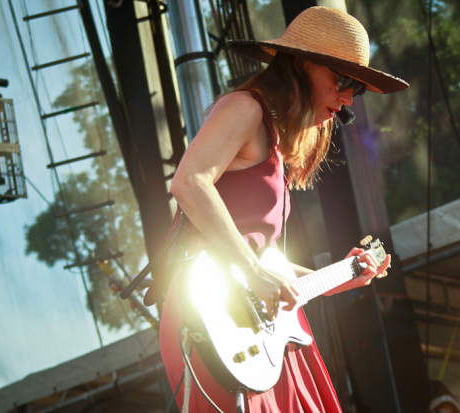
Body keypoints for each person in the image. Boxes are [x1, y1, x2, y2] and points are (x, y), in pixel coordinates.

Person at [159, 6, 409, 412]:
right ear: (304, 63)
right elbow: (189, 182)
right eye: (342, 80)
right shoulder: (245, 108)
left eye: (357, 90)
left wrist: (339, 277)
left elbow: (261, 266)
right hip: (213, 321)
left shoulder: (273, 142)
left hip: (253, 330)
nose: (347, 98)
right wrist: (257, 271)